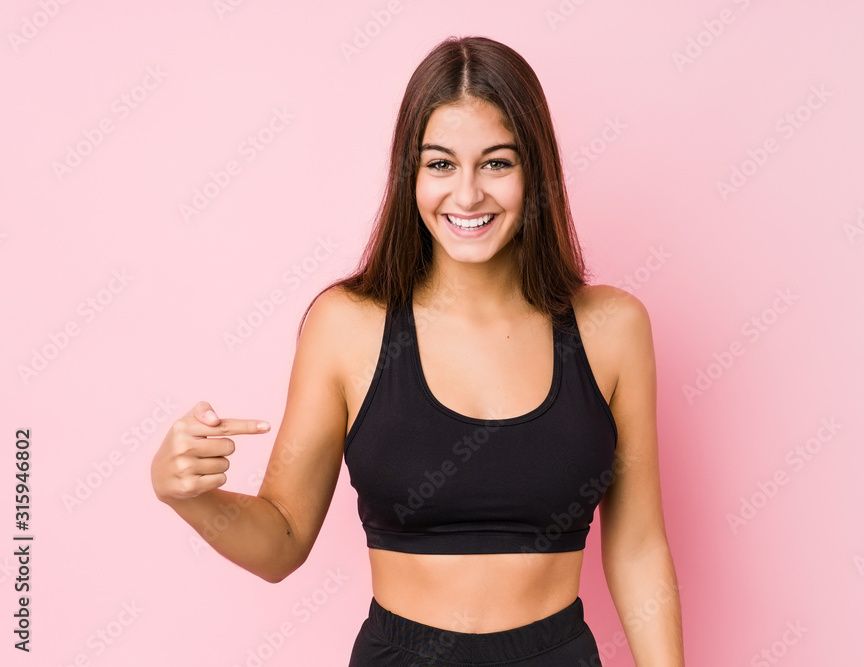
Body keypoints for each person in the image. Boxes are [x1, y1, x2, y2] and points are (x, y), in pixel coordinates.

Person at [150, 35, 684, 666]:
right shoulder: (346, 325)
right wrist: (190, 497)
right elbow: (282, 542)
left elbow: (638, 547)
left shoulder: (613, 328)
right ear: (410, 173)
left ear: (535, 170)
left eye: (496, 163)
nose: (466, 197)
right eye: (440, 165)